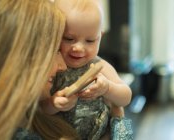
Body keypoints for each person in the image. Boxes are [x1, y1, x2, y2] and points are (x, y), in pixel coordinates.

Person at [40, 0, 132, 139]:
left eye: (90, 41)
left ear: (100, 36)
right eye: (69, 38)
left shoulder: (100, 66)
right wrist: (53, 104)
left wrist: (108, 88)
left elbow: (125, 99)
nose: (78, 48)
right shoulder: (53, 68)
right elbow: (40, 110)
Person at [0, 0, 74, 139]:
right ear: (23, 55)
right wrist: (120, 116)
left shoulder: (38, 120)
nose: (63, 66)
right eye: (55, 50)